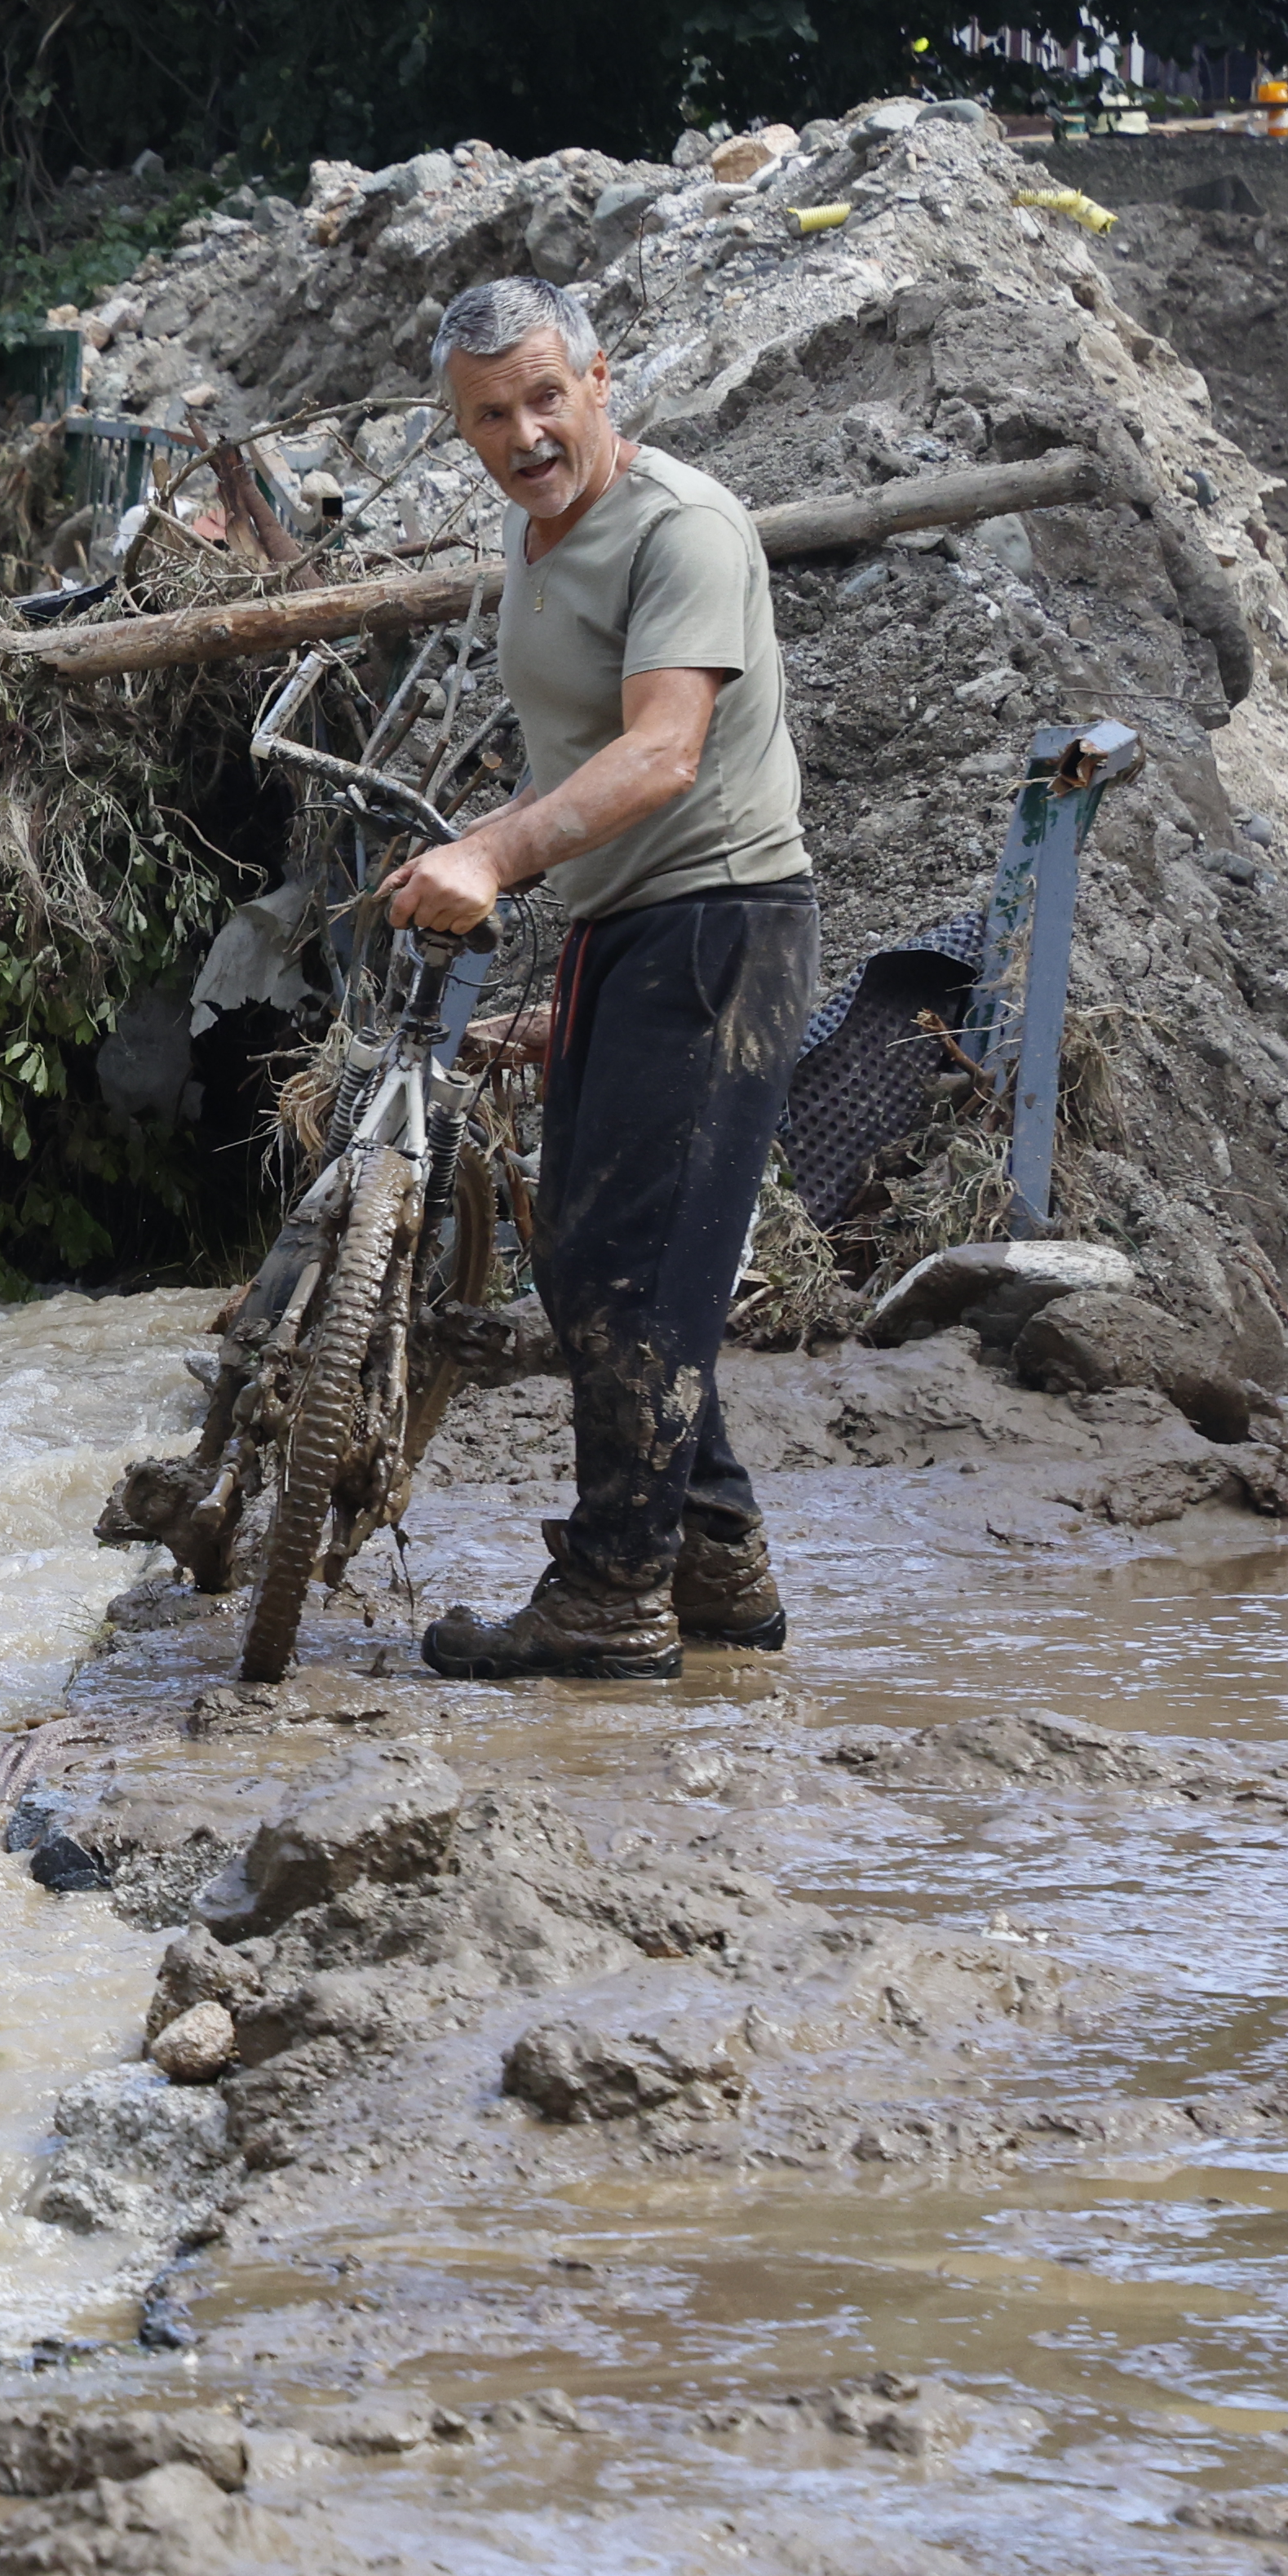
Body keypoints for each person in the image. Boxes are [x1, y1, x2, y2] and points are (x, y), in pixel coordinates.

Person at [378, 275, 819, 1680]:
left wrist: (491, 857)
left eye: (546, 398)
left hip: (721, 928)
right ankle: (715, 1562)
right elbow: (584, 763)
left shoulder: (680, 527)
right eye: (491, 416)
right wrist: (570, 979)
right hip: (633, 931)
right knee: (588, 1256)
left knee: (637, 1270)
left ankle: (613, 1598)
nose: (526, 435)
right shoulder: (534, 537)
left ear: (602, 381)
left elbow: (662, 753)